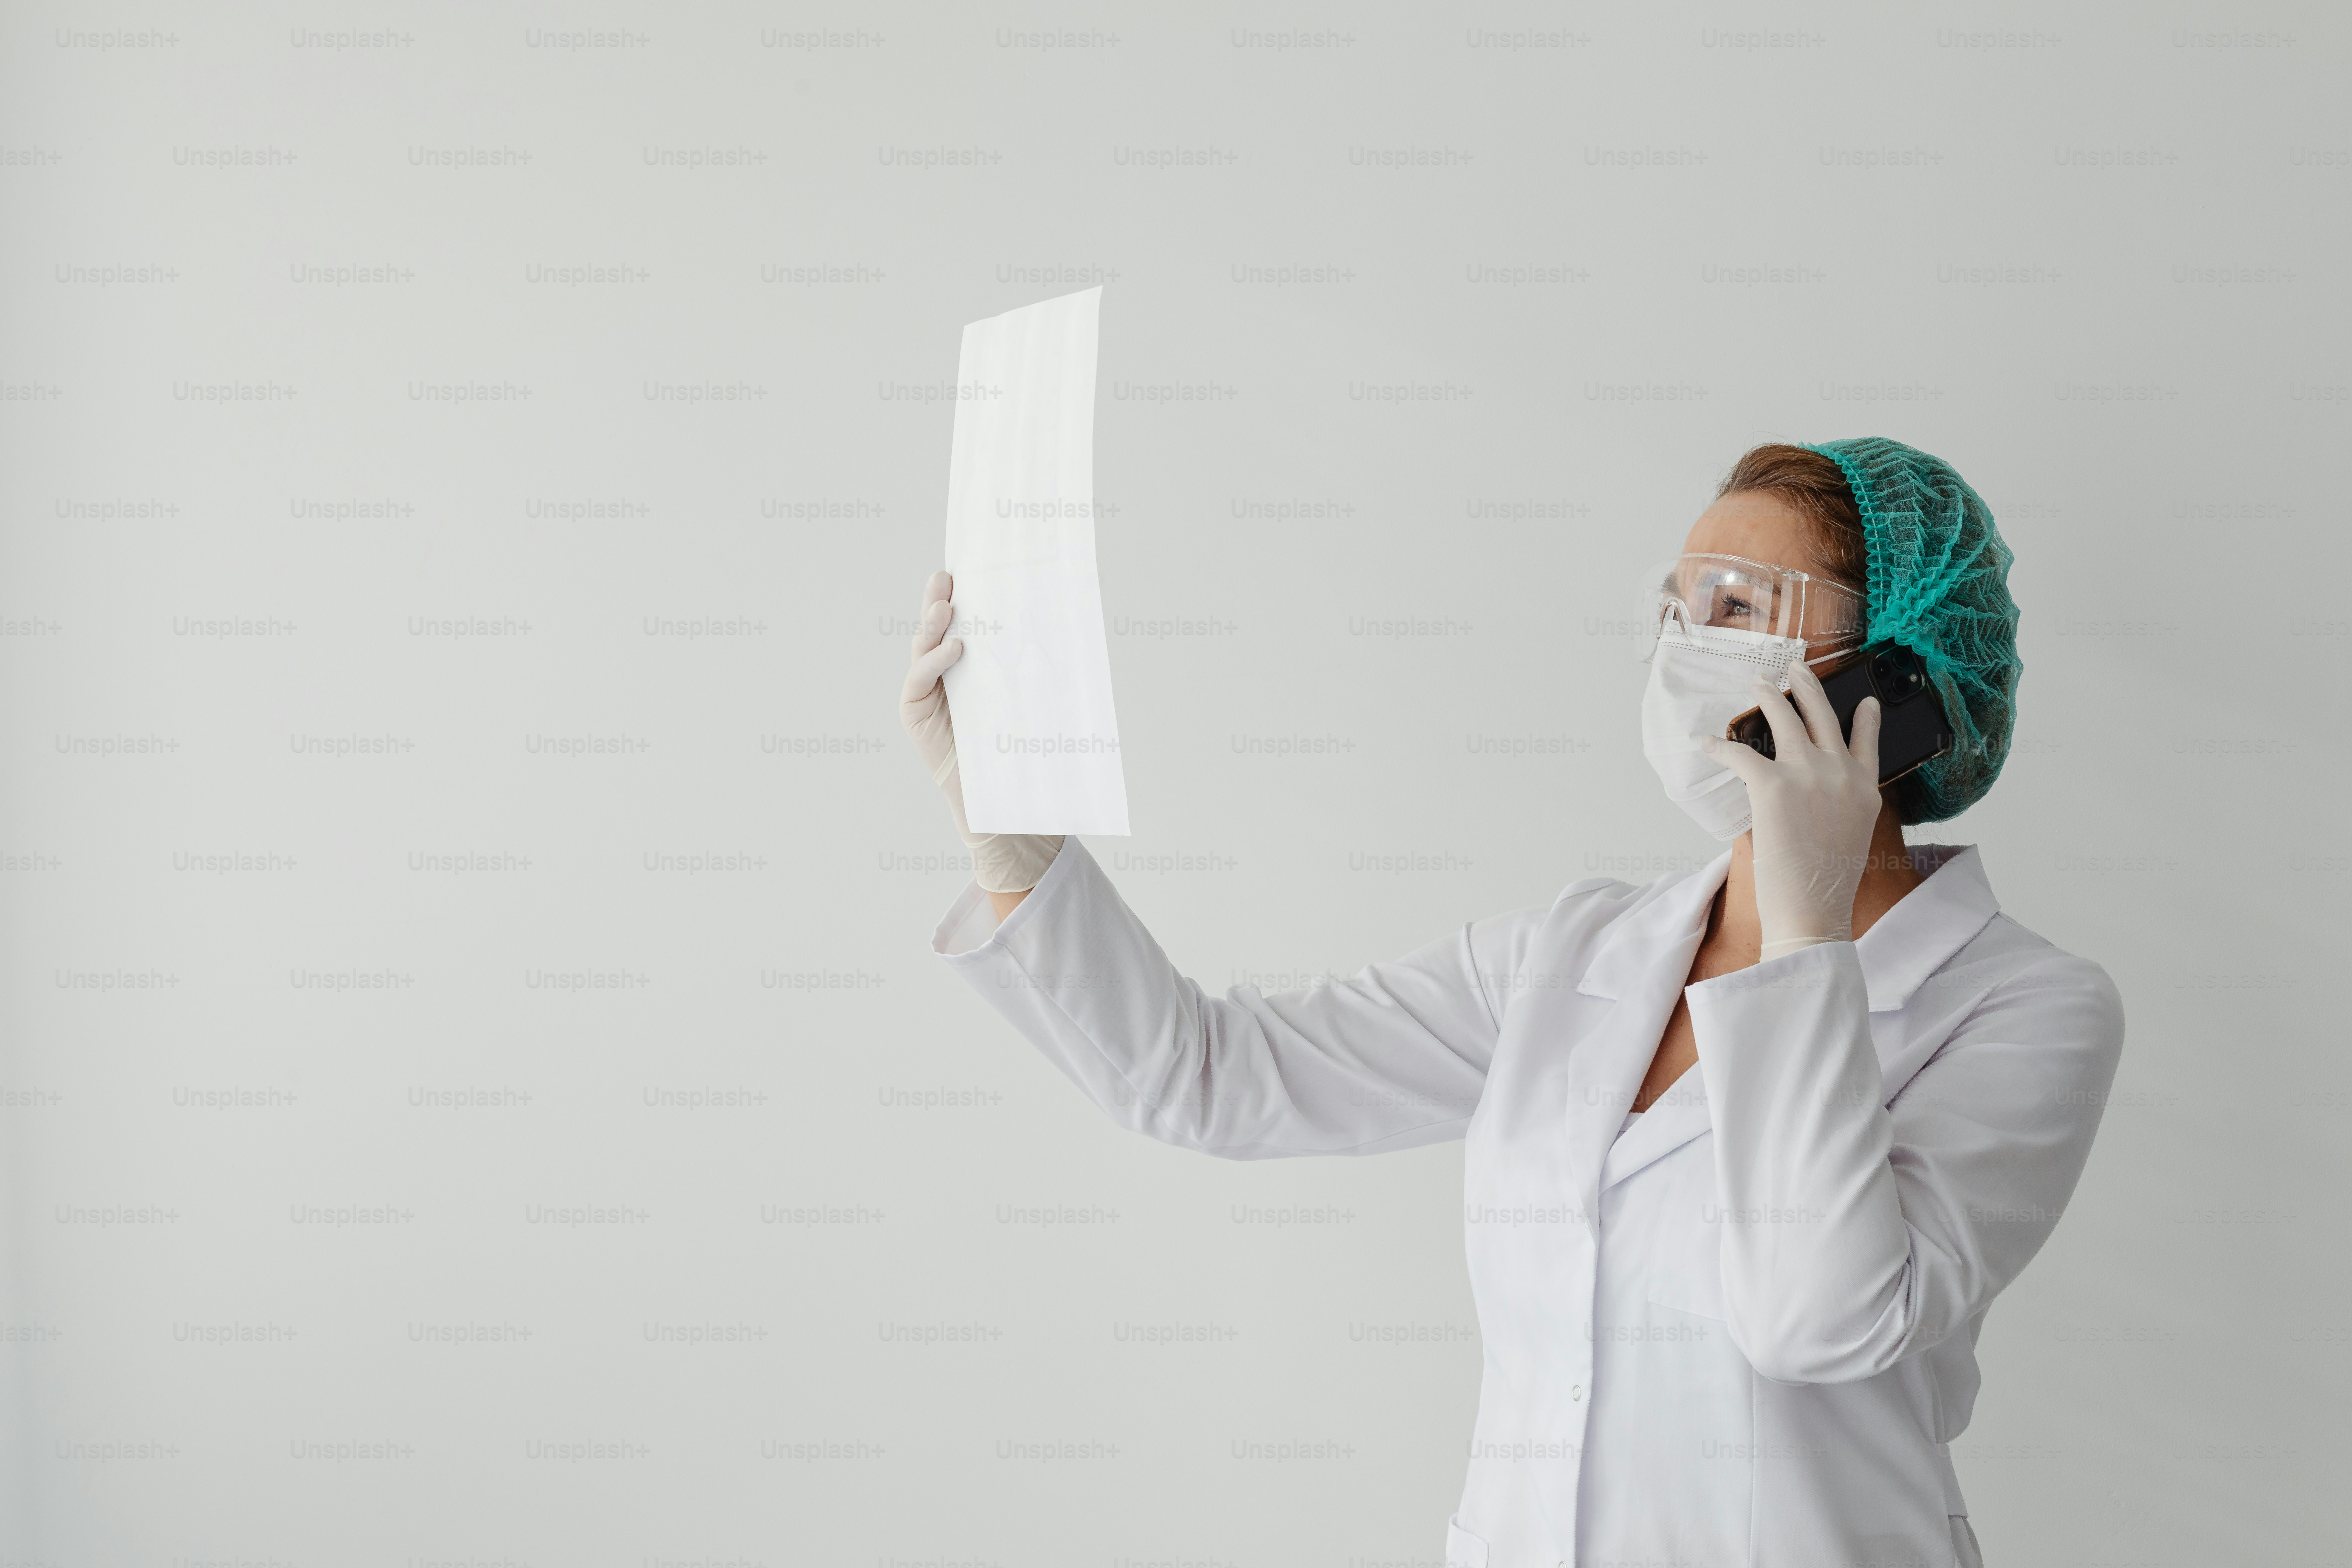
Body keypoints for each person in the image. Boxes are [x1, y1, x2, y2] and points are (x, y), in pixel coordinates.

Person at [898, 439, 2123, 1568]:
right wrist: (1011, 839)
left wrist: (1806, 941)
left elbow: (1815, 1321)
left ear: (1896, 680)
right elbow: (1207, 1078)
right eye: (1675, 608)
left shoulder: (2025, 1009)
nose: (1681, 649)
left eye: (1737, 610)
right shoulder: (1574, 951)